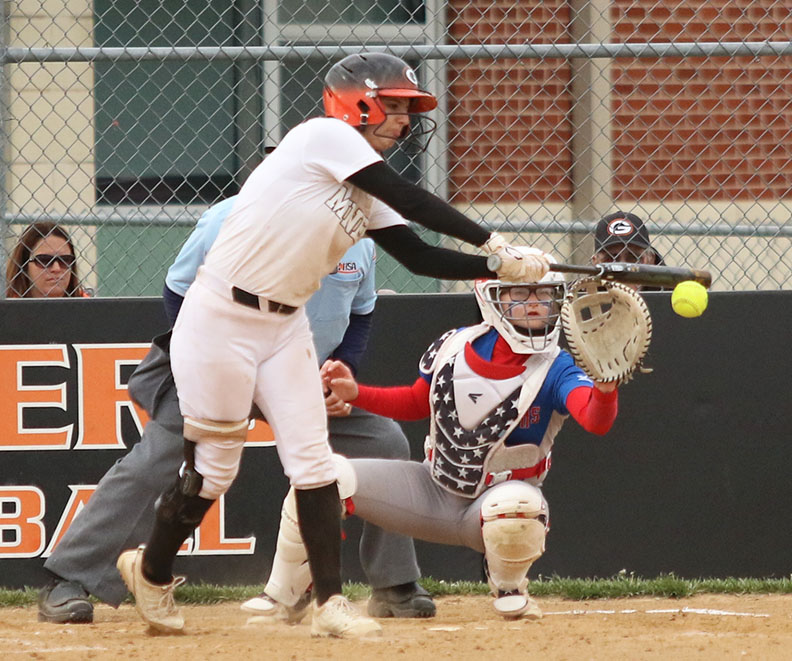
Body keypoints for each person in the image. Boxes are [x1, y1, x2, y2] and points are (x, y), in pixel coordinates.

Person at [116, 51, 550, 639]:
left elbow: (418, 255)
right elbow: (412, 198)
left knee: (313, 462)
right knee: (215, 470)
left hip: (284, 326)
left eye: (405, 109)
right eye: (393, 106)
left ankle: (329, 604)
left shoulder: (362, 190)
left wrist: (499, 270)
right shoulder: (322, 136)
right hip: (219, 316)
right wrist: (495, 241)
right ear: (358, 101)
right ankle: (151, 570)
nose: (402, 120)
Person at [38, 197, 435, 624]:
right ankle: (69, 576)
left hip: (295, 373)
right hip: (216, 363)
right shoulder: (229, 217)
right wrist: (207, 359)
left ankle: (394, 585)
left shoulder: (355, 231)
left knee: (384, 441)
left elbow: (361, 312)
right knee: (158, 458)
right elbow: (177, 289)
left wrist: (344, 372)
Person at [255, 258, 620, 622]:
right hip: (431, 489)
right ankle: (286, 594)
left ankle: (509, 585)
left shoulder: (557, 366)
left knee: (518, 507)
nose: (535, 303)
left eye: (544, 294)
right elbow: (416, 402)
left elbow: (594, 420)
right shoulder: (454, 345)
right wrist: (355, 393)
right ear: (492, 299)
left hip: (492, 507)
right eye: (520, 293)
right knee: (321, 478)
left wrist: (605, 389)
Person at [6, 221, 87, 298]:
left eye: (65, 260)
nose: (56, 268)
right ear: (24, 265)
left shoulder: (88, 307)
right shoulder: (7, 308)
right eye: (44, 260)